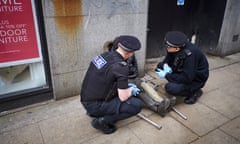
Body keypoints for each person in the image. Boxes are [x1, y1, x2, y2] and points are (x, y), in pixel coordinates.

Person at [80, 35, 142, 134]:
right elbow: (123, 97)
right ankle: (102, 121)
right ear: (130, 54)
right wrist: (130, 90)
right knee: (136, 105)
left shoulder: (103, 56)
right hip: (95, 105)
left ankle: (97, 112)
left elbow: (105, 79)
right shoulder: (121, 66)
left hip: (85, 100)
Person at [155, 31, 209, 104]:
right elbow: (168, 58)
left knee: (170, 88)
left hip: (194, 79)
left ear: (177, 49)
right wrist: (165, 65)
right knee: (159, 67)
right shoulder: (176, 45)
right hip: (183, 70)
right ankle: (178, 82)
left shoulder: (190, 55)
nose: (166, 47)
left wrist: (167, 75)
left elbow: (187, 78)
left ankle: (195, 91)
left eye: (168, 46)